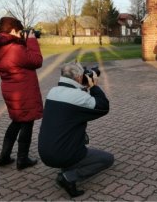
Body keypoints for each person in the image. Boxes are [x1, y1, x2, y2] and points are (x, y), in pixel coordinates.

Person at [38, 62, 113, 198]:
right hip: (63, 154)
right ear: (79, 78)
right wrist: (93, 86)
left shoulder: (52, 92)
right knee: (107, 159)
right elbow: (103, 106)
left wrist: (82, 87)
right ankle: (69, 177)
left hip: (45, 153)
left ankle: (68, 168)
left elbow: (71, 105)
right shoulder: (78, 97)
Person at [0, 13, 42, 170]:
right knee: (27, 123)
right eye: (19, 31)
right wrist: (30, 39)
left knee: (16, 122)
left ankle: (4, 156)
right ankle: (22, 160)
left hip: (10, 90)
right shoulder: (15, 49)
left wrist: (23, 40)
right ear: (13, 31)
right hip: (23, 91)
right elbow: (37, 60)